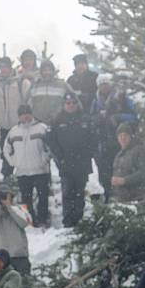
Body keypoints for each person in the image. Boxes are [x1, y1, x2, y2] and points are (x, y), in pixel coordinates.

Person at [47, 91, 97, 227]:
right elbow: (51, 142)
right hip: (65, 162)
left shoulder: (85, 118)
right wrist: (60, 157)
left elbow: (93, 139)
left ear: (77, 104)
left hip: (82, 163)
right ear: (63, 104)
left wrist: (87, 154)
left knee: (79, 192)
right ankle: (68, 221)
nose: (70, 105)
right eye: (68, 103)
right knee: (68, 191)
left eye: (73, 103)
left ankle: (79, 219)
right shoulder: (57, 120)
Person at [3, 104, 52, 227]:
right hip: (22, 171)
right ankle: (30, 220)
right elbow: (6, 149)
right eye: (22, 114)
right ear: (19, 116)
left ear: (32, 114)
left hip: (41, 170)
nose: (25, 116)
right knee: (26, 199)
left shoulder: (42, 128)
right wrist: (13, 162)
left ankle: (43, 219)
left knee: (43, 197)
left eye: (27, 113)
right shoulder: (13, 131)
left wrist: (45, 159)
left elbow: (51, 146)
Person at [92, 74, 137, 201]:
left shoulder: (121, 98)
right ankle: (108, 196)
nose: (104, 87)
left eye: (106, 84)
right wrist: (98, 119)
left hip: (120, 142)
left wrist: (117, 117)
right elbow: (91, 119)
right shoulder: (96, 101)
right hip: (103, 143)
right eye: (101, 84)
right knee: (105, 174)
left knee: (122, 170)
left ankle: (124, 198)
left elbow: (134, 116)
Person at [0, 56, 31, 179]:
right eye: (1, 67)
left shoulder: (22, 82)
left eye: (6, 66)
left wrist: (25, 118)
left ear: (11, 67)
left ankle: (25, 177)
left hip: (20, 125)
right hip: (5, 126)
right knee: (6, 152)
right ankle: (7, 177)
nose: (4, 69)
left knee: (23, 152)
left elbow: (29, 101)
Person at [0, 186, 32, 275]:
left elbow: (24, 223)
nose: (4, 198)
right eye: (2, 196)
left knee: (23, 285)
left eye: (7, 196)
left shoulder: (19, 209)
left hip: (19, 255)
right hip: (0, 258)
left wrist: (9, 207)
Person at [28, 59, 78, 125]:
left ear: (53, 71)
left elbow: (75, 100)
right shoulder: (34, 86)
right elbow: (26, 103)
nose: (47, 73)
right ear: (41, 72)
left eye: (49, 70)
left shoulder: (62, 85)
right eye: (45, 70)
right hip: (38, 124)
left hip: (58, 122)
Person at [111, 123, 145, 203]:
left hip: (138, 199)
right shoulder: (118, 155)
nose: (123, 138)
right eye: (120, 135)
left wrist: (125, 180)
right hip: (122, 199)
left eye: (125, 135)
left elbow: (144, 171)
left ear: (130, 136)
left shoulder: (139, 150)